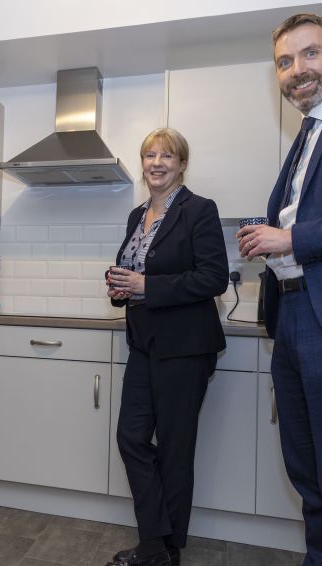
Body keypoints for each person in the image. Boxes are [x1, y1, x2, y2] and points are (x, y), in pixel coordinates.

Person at [106, 128, 228, 566]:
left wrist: (146, 285)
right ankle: (157, 542)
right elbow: (132, 271)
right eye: (149, 155)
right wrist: (121, 287)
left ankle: (163, 550)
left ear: (182, 164)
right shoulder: (136, 214)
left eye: (167, 156)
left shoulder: (200, 210)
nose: (157, 162)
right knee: (131, 438)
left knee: (176, 449)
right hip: (144, 344)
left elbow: (213, 277)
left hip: (185, 347)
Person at [238, 13, 322, 565]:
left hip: (316, 314)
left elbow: (297, 231)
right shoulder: (304, 138)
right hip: (290, 315)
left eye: (311, 54)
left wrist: (287, 236)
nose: (298, 70)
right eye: (286, 62)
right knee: (306, 465)